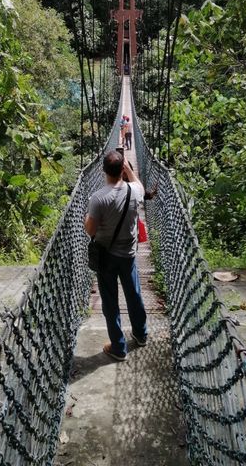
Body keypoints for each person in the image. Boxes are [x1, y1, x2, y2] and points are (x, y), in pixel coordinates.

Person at [84, 151, 147, 360]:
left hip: (106, 257)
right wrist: (128, 169)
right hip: (128, 254)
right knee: (134, 294)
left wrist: (87, 217)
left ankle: (119, 347)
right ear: (123, 170)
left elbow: (90, 231)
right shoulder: (135, 191)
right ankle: (141, 334)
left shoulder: (98, 198)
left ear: (103, 170)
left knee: (110, 302)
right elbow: (140, 185)